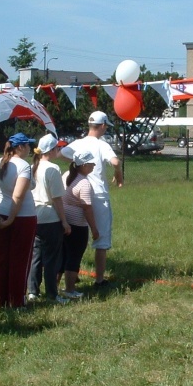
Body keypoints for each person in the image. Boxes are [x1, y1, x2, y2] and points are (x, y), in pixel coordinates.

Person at [60, 111, 123, 287]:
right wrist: (118, 175)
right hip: (97, 196)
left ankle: (71, 272)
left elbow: (61, 154)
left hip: (76, 193)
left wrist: (75, 162)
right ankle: (99, 279)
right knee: (100, 239)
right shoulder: (101, 145)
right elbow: (116, 162)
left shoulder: (78, 143)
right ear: (102, 126)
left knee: (75, 238)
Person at [0, 133, 38, 309]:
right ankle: (16, 301)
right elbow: (18, 195)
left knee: (2, 259)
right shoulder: (23, 166)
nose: (30, 149)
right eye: (28, 146)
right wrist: (12, 219)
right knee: (20, 260)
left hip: (0, 213)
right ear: (20, 147)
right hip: (22, 217)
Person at [27, 134, 71, 303]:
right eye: (57, 148)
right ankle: (52, 293)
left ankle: (33, 291)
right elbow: (57, 198)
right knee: (52, 258)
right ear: (51, 151)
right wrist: (64, 221)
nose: (58, 151)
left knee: (36, 256)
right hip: (50, 216)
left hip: (34, 214)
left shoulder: (33, 166)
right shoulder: (52, 169)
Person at [60, 151, 100, 300]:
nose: (94, 165)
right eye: (91, 163)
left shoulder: (66, 176)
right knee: (74, 257)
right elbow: (87, 209)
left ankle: (55, 286)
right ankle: (70, 289)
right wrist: (94, 229)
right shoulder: (84, 183)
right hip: (77, 225)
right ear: (84, 165)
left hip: (64, 221)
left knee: (63, 255)